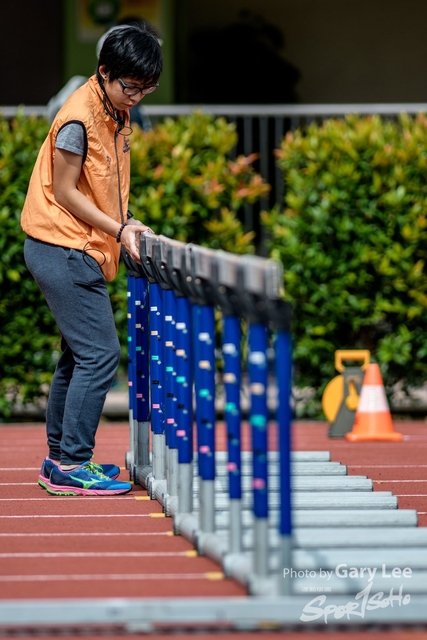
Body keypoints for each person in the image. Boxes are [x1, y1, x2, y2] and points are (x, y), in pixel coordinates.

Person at [21, 24, 163, 496]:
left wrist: (129, 221)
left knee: (77, 357)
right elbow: (64, 192)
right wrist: (119, 230)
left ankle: (60, 459)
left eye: (147, 89)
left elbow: (102, 189)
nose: (137, 97)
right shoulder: (79, 118)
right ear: (104, 73)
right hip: (62, 247)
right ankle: (72, 464)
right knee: (101, 355)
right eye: (130, 86)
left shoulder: (115, 111)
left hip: (79, 246)